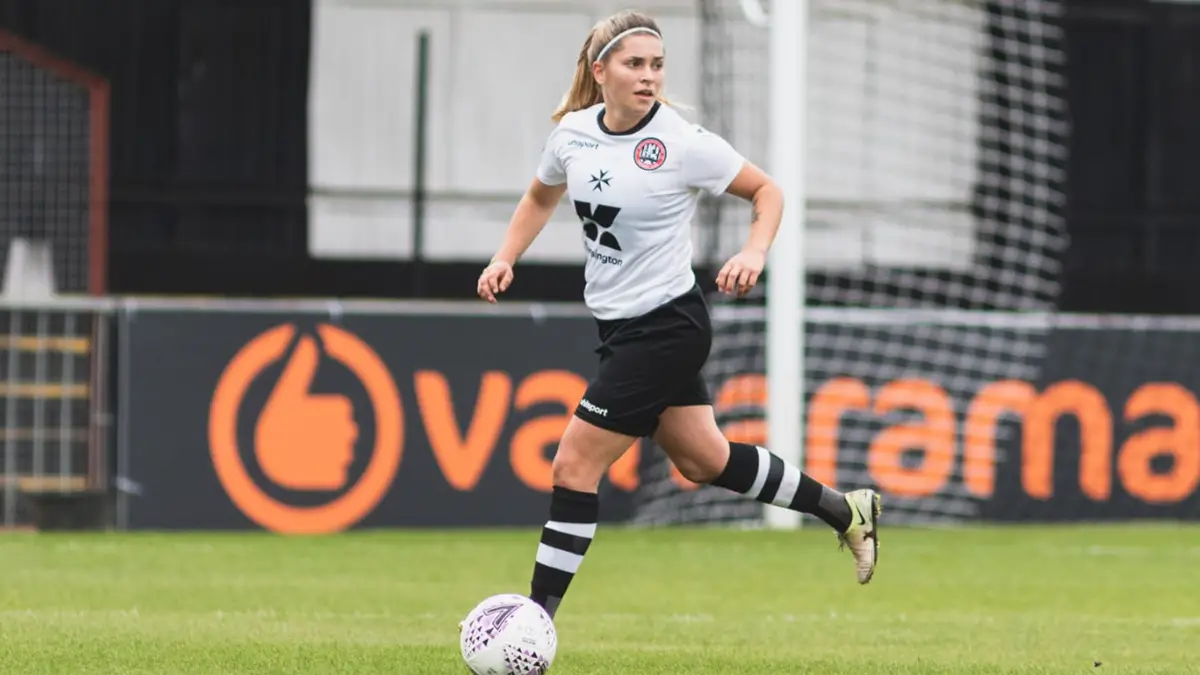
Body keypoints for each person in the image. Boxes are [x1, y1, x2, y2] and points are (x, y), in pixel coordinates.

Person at [476, 9, 881, 620]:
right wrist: (505, 256)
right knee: (704, 461)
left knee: (573, 463)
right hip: (620, 330)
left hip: (666, 327)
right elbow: (540, 193)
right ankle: (845, 511)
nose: (648, 77)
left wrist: (754, 249)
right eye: (634, 64)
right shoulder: (573, 135)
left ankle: (533, 622)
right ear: (600, 70)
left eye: (657, 66)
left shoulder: (683, 144)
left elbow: (767, 192)